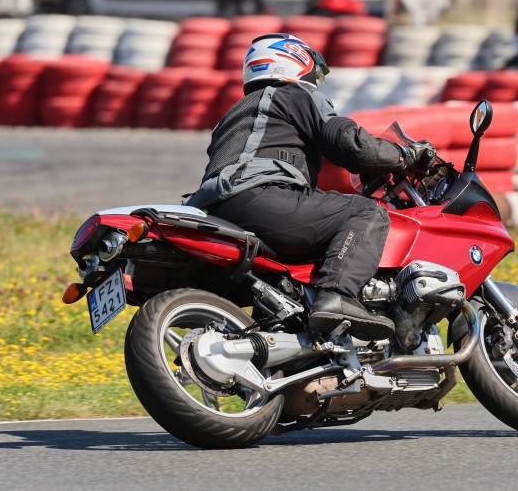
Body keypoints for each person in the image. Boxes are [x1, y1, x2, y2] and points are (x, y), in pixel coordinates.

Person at [183, 33, 435, 342]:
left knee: (287, 279)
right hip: (261, 197)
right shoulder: (292, 94)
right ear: (292, 62)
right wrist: (402, 155)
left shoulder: (236, 114)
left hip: (216, 209)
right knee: (367, 213)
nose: (314, 80)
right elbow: (349, 143)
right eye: (312, 72)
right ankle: (336, 296)